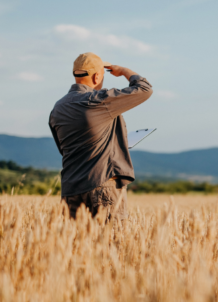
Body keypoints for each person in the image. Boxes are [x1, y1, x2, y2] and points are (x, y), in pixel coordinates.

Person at [49, 52, 153, 220]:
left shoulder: (58, 108)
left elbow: (64, 148)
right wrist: (124, 71)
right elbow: (144, 89)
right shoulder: (98, 100)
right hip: (102, 184)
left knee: (77, 245)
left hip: (70, 189)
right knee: (110, 243)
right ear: (97, 77)